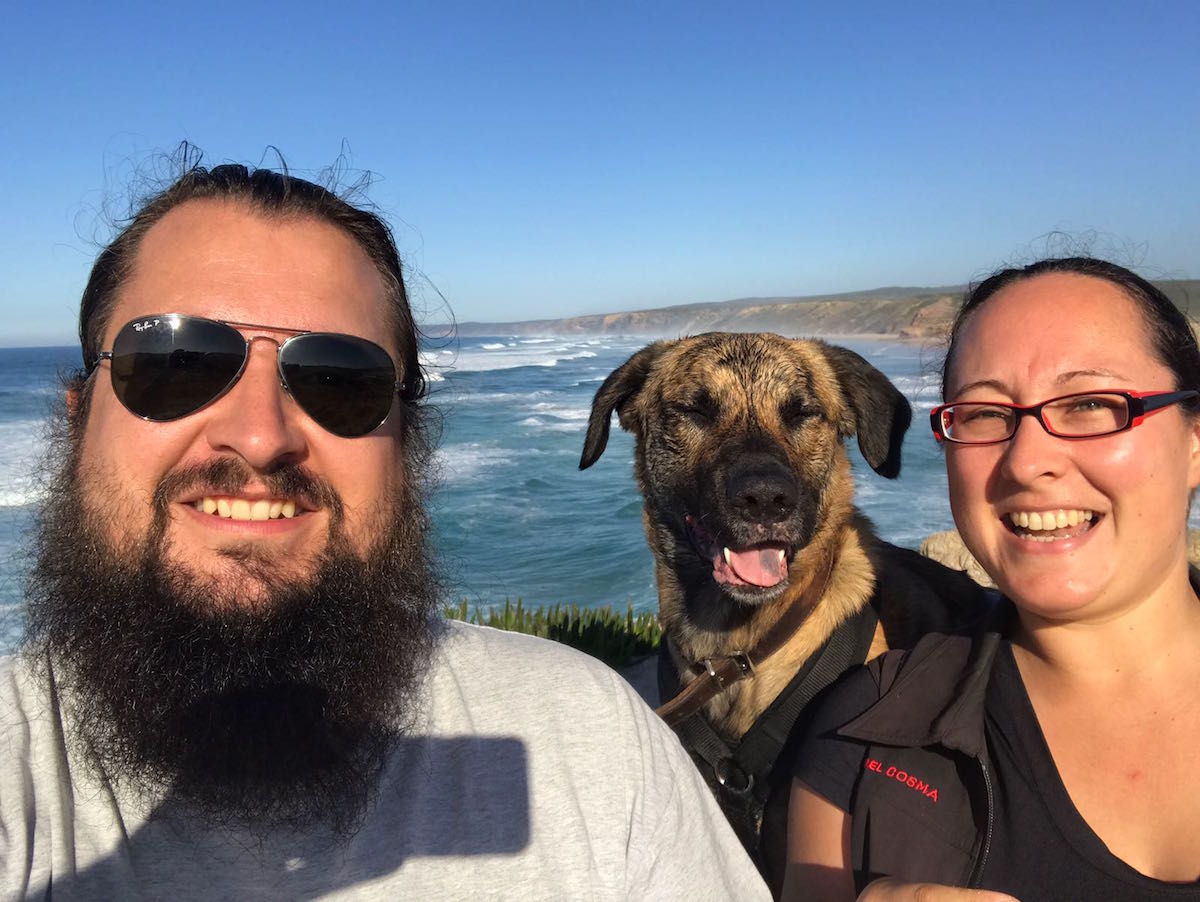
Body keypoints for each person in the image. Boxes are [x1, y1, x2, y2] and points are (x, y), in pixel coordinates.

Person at [0, 158, 771, 900]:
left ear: (407, 446)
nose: (261, 436)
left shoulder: (590, 744)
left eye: (340, 382)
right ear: (77, 423)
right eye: (175, 363)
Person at [782, 258, 1200, 901]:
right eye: (981, 415)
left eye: (1091, 403)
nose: (1028, 461)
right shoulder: (862, 735)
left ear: (1194, 439)